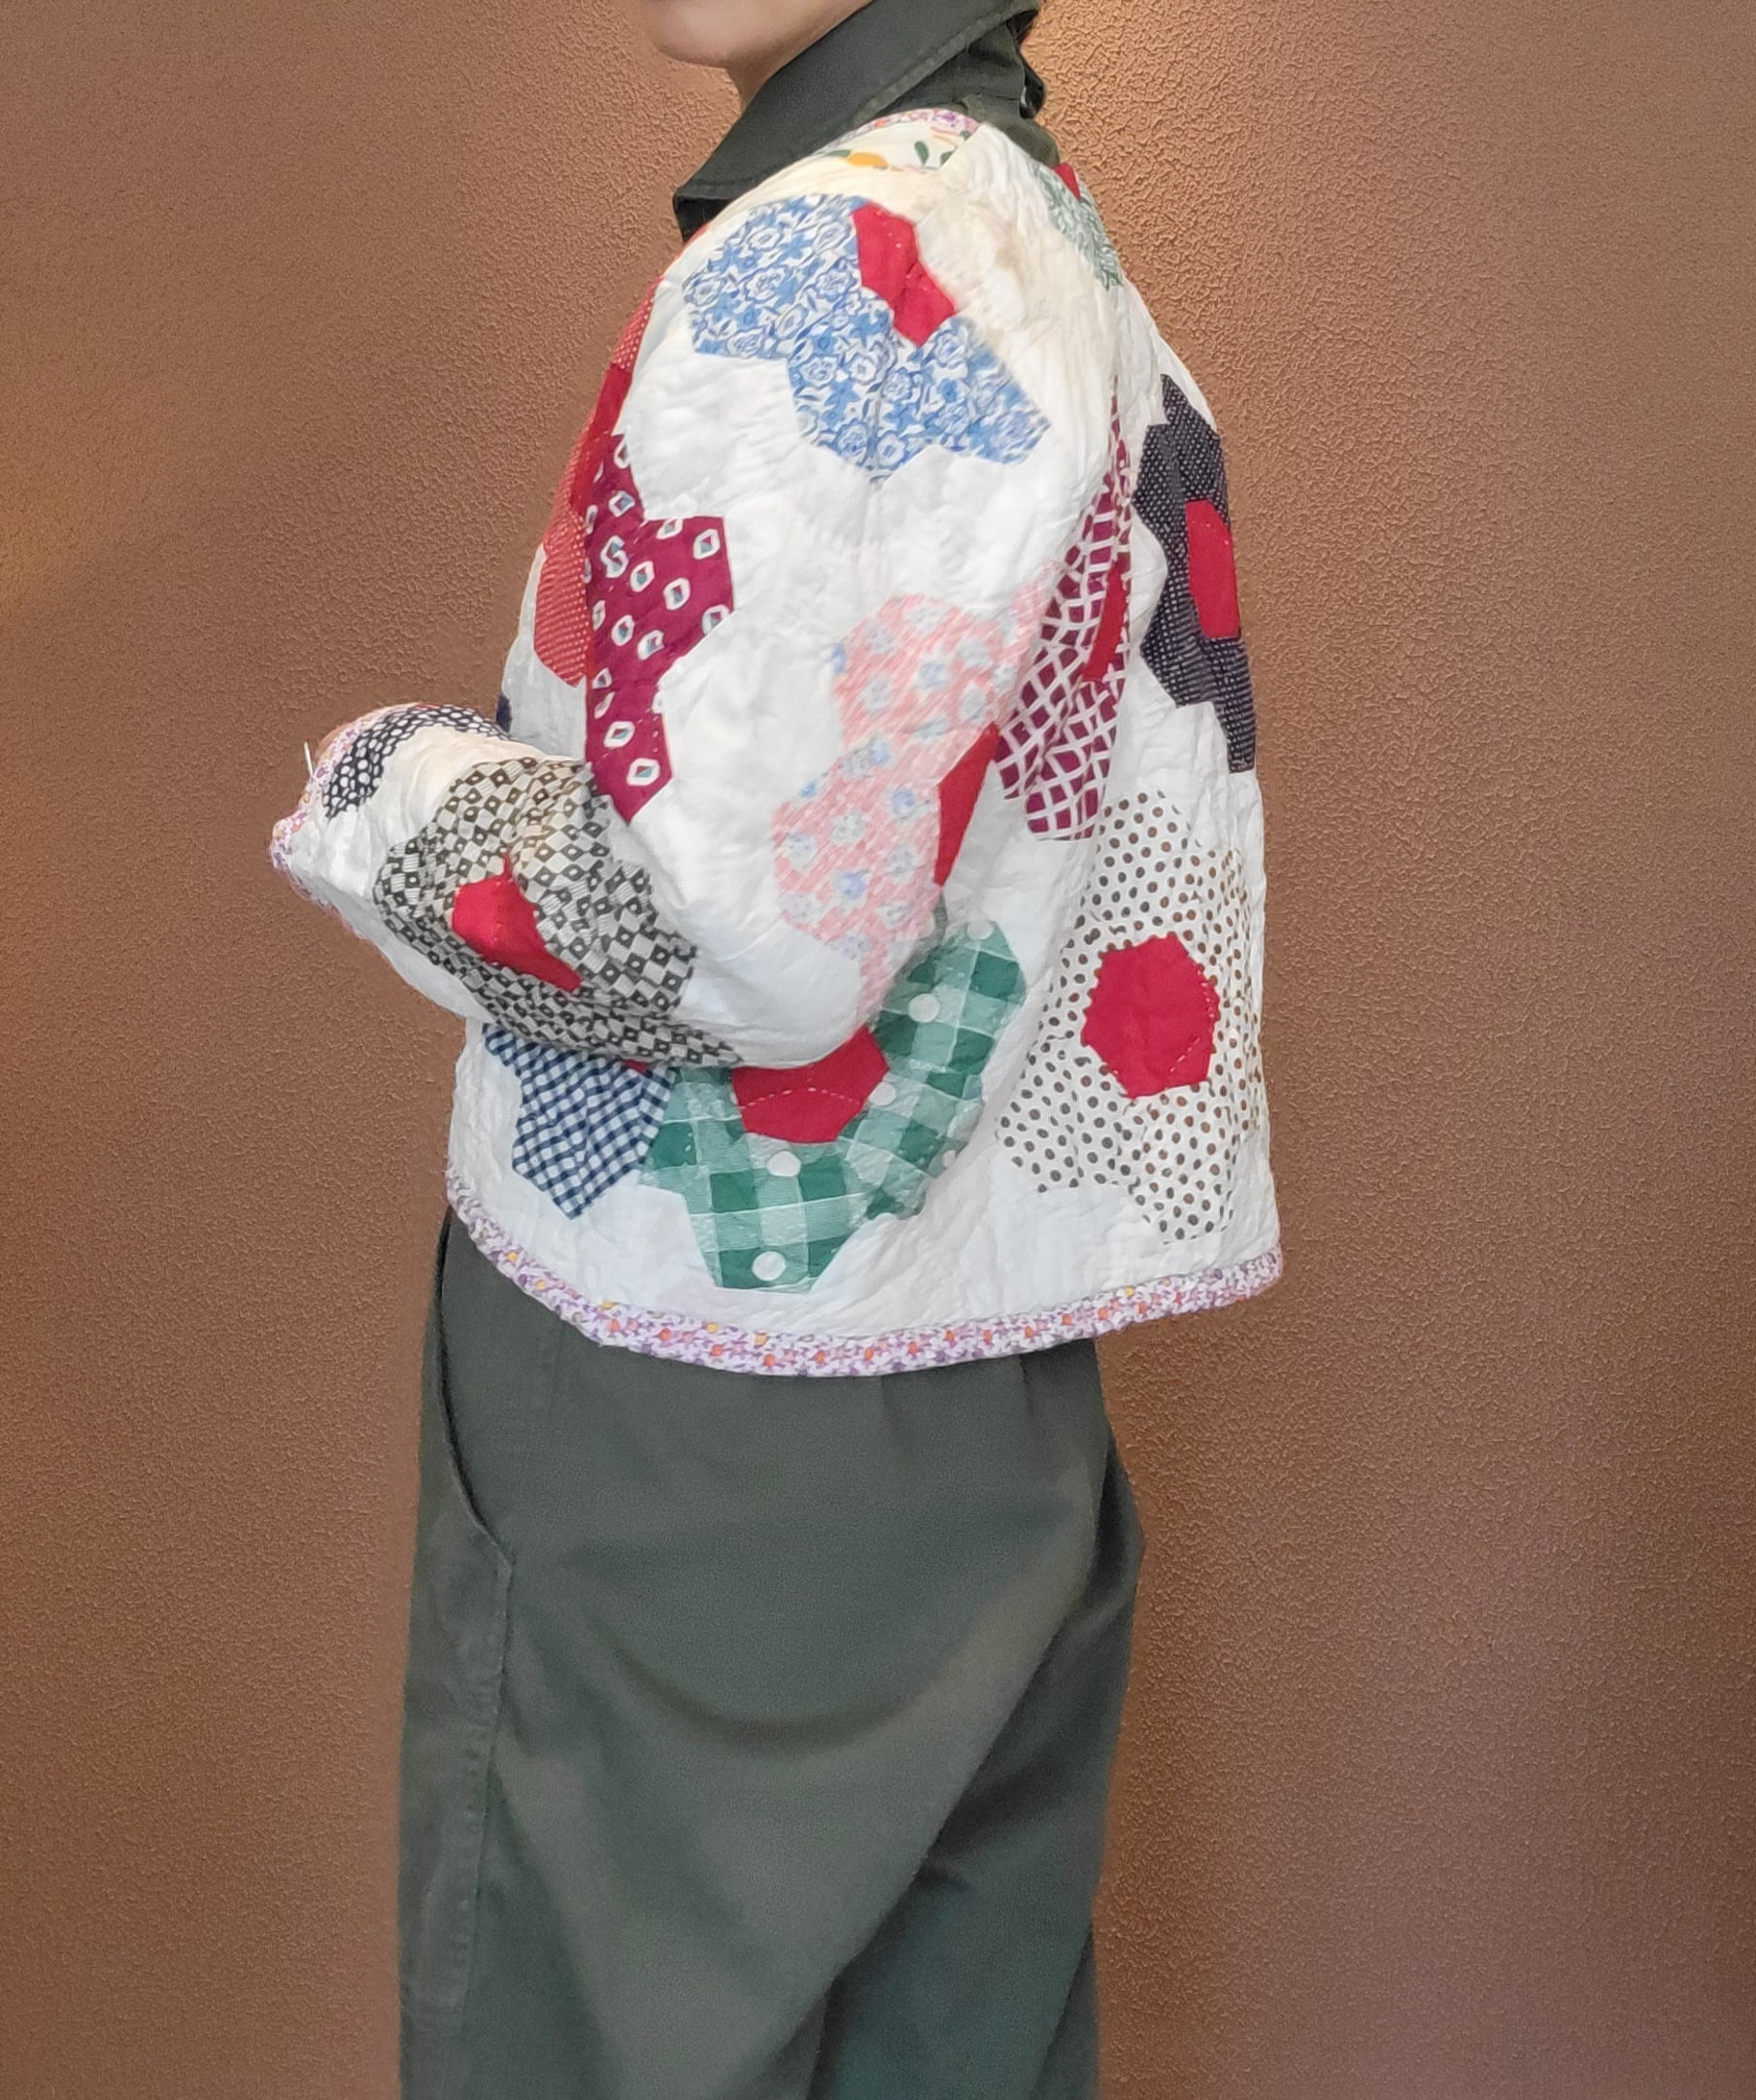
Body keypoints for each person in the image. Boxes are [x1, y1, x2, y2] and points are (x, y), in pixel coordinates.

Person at [272, 1, 1281, 2092]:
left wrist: (379, 786)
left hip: (702, 1409)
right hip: (979, 1394)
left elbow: (711, 929)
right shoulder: (1046, 236)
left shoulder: (835, 254)